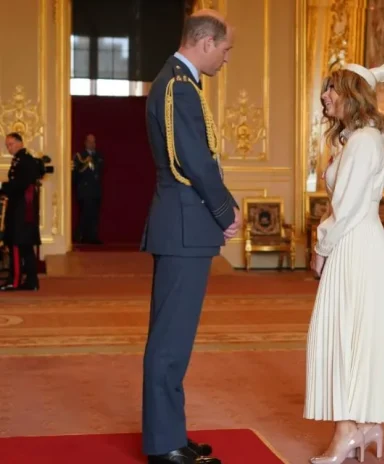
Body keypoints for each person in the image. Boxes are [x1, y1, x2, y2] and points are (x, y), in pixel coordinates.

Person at [140, 10, 241, 464]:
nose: (226, 57)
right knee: (170, 341)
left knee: (174, 340)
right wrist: (224, 211)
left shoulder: (179, 81)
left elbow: (199, 158)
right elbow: (192, 162)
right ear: (205, 42)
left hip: (183, 223)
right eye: (225, 48)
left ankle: (171, 434)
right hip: (184, 223)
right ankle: (164, 446)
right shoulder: (178, 86)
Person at [305, 56, 384, 464]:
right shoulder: (357, 139)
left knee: (345, 337)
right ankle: (362, 426)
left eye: (331, 89)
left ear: (352, 96)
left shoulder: (363, 142)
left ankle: (349, 431)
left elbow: (345, 206)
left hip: (355, 245)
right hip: (355, 241)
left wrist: (321, 247)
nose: (325, 96)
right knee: (349, 335)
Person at [0, 132, 41, 291]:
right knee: (24, 246)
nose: (8, 148)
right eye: (7, 145)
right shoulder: (21, 160)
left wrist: (2, 187)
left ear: (19, 143)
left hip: (21, 211)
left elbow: (20, 184)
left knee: (17, 245)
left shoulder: (24, 160)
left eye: (10, 144)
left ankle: (16, 281)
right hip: (21, 210)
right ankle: (31, 281)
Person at [72, 134, 104, 244]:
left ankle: (92, 237)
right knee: (85, 214)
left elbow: (100, 171)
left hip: (95, 190)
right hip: (84, 191)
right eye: (90, 142)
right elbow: (75, 173)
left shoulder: (98, 156)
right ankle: (79, 236)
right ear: (85, 143)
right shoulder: (80, 156)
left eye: (94, 142)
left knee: (94, 215)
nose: (92, 144)